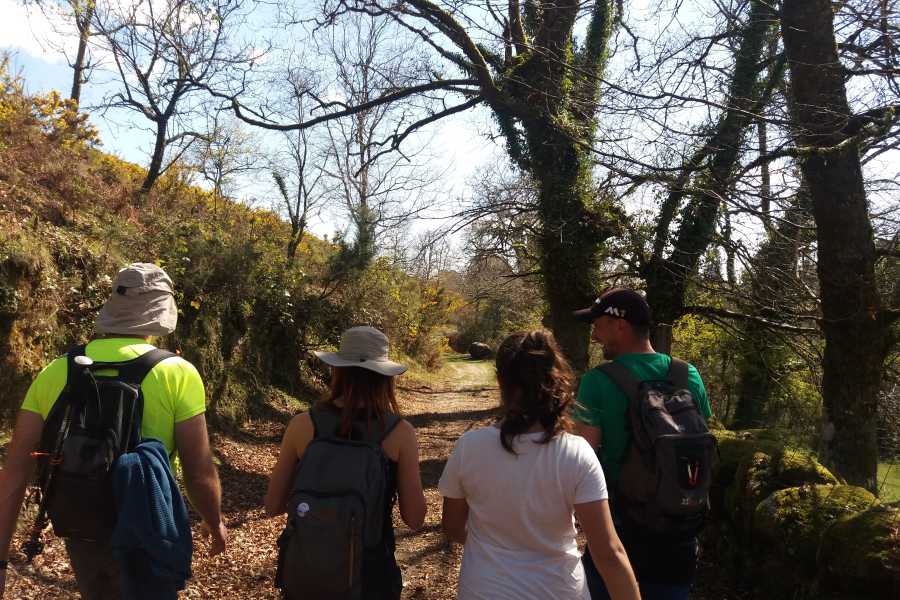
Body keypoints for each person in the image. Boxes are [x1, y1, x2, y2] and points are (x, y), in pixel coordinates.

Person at [0, 263, 227, 599]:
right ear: (160, 316)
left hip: (81, 523)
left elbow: (15, 473)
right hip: (147, 526)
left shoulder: (57, 369)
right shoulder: (178, 373)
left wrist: (2, 563)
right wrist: (214, 522)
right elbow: (199, 471)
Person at [438, 330, 641, 600]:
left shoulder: (469, 447)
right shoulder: (576, 453)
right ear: (556, 380)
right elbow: (609, 554)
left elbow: (453, 527)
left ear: (501, 381)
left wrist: (496, 546)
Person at [265, 326, 426, 600]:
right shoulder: (399, 433)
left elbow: (272, 506)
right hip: (371, 580)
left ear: (337, 370)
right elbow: (415, 519)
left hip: (307, 576)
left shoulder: (303, 425)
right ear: (385, 377)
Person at [572, 288, 713, 600]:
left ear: (619, 325)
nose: (594, 335)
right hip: (680, 532)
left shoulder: (598, 381)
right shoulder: (687, 374)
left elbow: (580, 456)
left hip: (620, 532)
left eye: (598, 324)